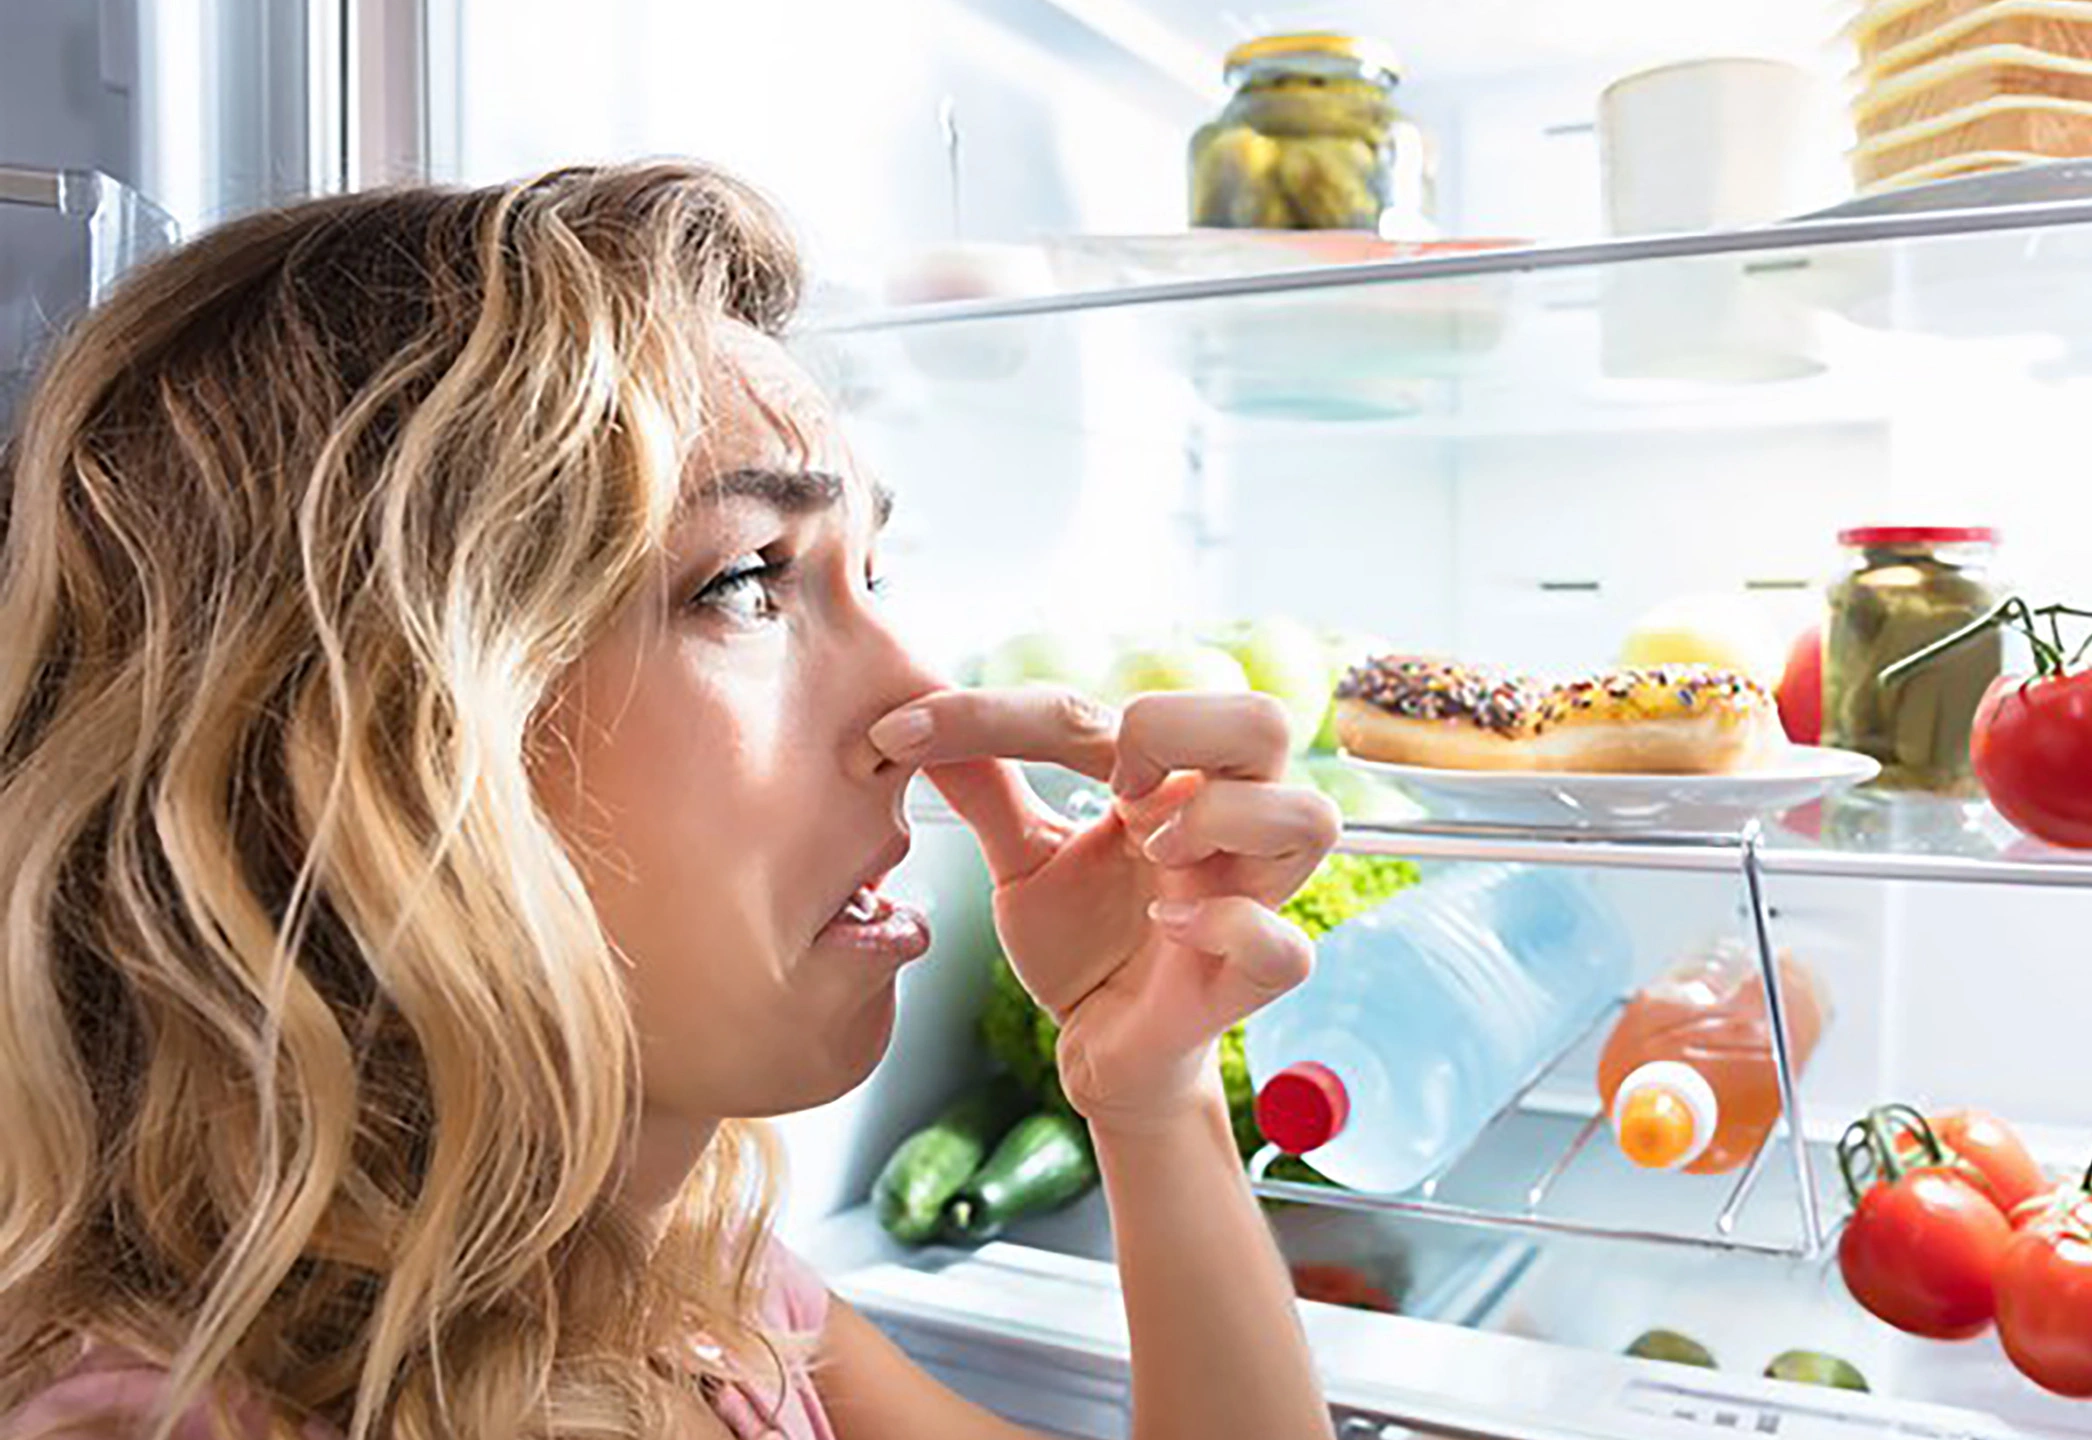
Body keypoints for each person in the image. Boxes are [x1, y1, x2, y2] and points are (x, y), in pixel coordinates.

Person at [0, 162, 1341, 1440]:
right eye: (749, 579)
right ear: (369, 738)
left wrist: (1152, 1093)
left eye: (873, 574)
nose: (918, 707)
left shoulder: (689, 1279)